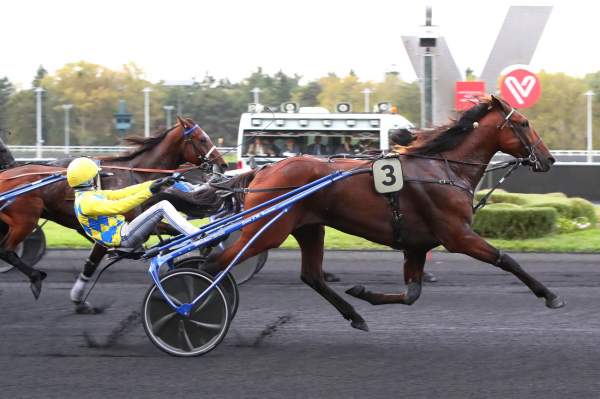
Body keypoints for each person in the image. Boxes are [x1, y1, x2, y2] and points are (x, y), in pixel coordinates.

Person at [67, 157, 200, 305]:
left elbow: (123, 193)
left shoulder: (89, 196)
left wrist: (154, 184)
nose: (98, 177)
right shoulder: (86, 202)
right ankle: (196, 235)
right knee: (162, 206)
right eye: (95, 175)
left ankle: (189, 238)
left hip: (125, 233)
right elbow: (120, 206)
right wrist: (150, 192)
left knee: (161, 207)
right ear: (89, 179)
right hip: (124, 238)